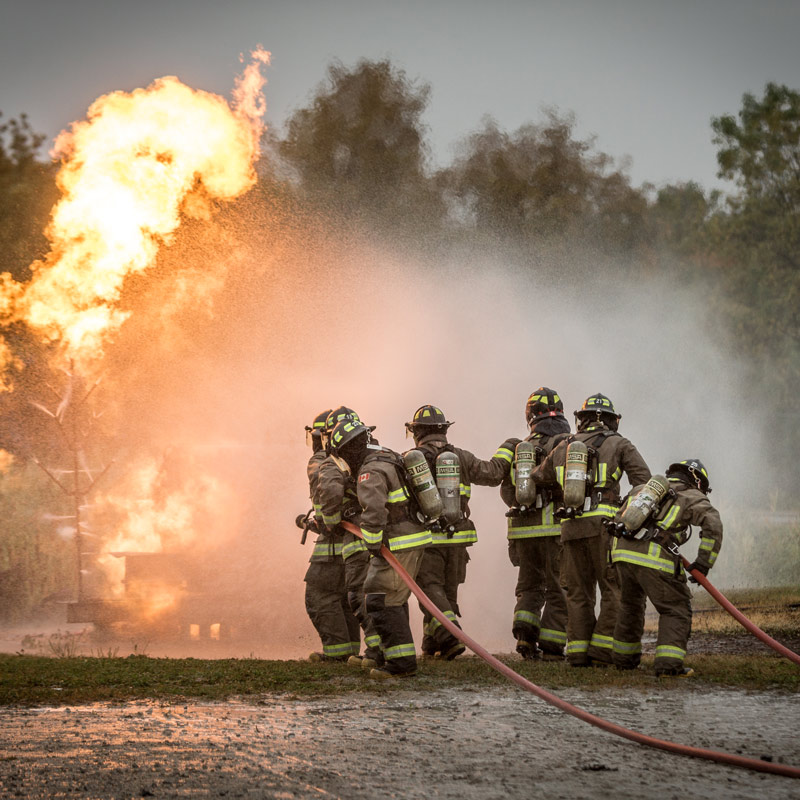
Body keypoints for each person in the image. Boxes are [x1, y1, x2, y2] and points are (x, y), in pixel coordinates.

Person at [532, 393, 651, 667]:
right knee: (613, 589)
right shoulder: (620, 444)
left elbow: (539, 476)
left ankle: (577, 652)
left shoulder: (564, 446)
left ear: (581, 419)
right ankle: (601, 651)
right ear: (611, 420)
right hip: (605, 528)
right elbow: (642, 483)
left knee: (577, 592)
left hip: (570, 528)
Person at [404, 405, 513, 660]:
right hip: (458, 537)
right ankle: (432, 643)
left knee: (430, 589)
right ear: (444, 430)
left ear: (416, 432)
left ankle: (451, 638)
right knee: (447, 592)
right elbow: (493, 473)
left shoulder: (410, 460)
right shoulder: (461, 457)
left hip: (427, 538)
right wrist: (509, 447)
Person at [329, 418, 432, 679]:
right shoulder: (388, 457)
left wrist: (372, 543)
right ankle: (393, 657)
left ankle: (401, 665)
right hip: (412, 537)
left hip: (399, 542)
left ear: (348, 451)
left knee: (379, 598)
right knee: (391, 598)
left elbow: (374, 512)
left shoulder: (369, 471)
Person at [609, 459, 723, 676]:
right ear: (697, 481)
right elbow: (713, 524)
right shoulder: (691, 495)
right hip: (653, 558)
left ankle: (624, 661)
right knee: (675, 608)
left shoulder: (641, 490)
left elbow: (618, 519)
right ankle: (669, 666)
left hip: (621, 555)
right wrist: (703, 563)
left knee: (630, 606)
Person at [500, 388, 571, 661]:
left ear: (530, 415)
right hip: (556, 528)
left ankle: (524, 637)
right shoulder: (568, 444)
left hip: (523, 530)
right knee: (558, 585)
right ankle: (552, 647)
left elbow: (508, 492)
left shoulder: (520, 449)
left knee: (529, 585)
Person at [317, 406, 383, 669]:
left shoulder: (337, 460)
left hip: (357, 537)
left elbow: (331, 492)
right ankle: (380, 650)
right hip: (382, 536)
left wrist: (330, 523)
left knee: (359, 594)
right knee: (380, 595)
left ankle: (377, 651)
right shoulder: (378, 453)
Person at [302, 409, 359, 662]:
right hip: (361, 542)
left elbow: (324, 495)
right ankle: (351, 653)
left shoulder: (325, 460)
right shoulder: (366, 454)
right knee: (347, 598)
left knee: (320, 595)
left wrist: (323, 522)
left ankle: (338, 653)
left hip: (336, 544)